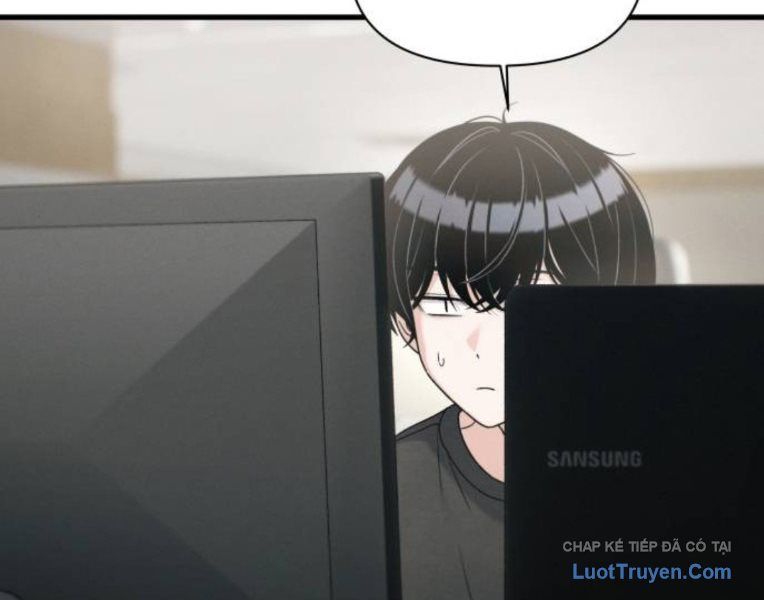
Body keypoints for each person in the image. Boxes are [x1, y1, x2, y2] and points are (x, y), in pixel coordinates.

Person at [385, 118, 656, 600]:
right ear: (406, 321)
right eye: (445, 306)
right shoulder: (392, 482)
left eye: (528, 303)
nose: (482, 342)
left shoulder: (667, 469)